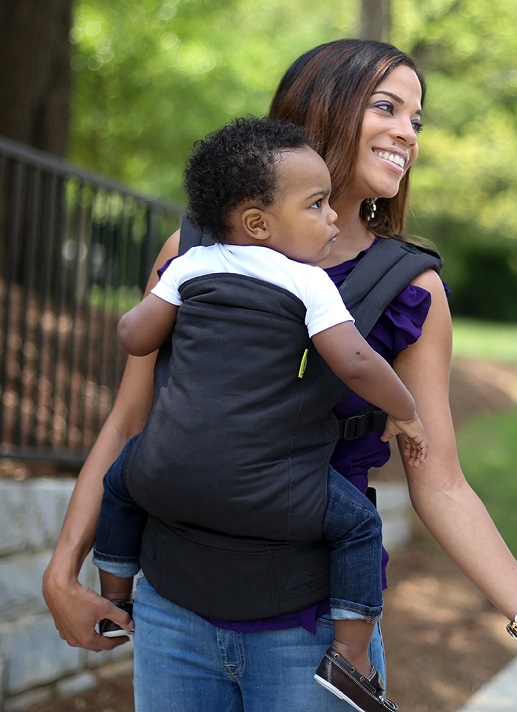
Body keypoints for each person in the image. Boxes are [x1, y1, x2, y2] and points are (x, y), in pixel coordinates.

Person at [42, 38, 517, 711]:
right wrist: (63, 568)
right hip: (171, 614)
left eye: (416, 120)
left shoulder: (409, 287)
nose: (406, 133)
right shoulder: (193, 251)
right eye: (386, 106)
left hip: (309, 635)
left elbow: (440, 481)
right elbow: (130, 421)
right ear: (321, 107)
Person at [91, 115, 428, 711]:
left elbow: (134, 336)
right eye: (318, 205)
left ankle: (116, 599)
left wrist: (150, 308)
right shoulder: (308, 281)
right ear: (257, 222)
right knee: (358, 527)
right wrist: (404, 408)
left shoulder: (192, 264)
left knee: (119, 485)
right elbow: (354, 362)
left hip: (167, 469)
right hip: (271, 483)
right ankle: (350, 656)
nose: (331, 218)